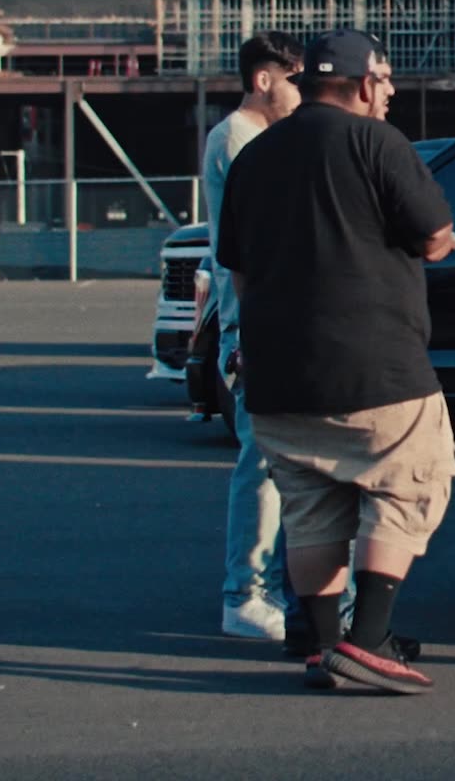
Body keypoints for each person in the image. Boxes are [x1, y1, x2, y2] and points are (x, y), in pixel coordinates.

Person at [216, 28, 455, 694]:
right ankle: (370, 638)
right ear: (362, 83)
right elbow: (436, 237)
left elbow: (236, 273)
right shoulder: (376, 142)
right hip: (375, 367)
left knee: (310, 506)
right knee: (413, 480)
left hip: (277, 374)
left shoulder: (254, 156)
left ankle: (325, 646)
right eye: (383, 84)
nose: (387, 98)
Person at [202, 31, 303, 643]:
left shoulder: (251, 138)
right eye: (293, 77)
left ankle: (256, 588)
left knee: (275, 460)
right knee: (261, 461)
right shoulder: (237, 140)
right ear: (264, 78)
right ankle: (244, 593)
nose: (300, 90)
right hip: (252, 320)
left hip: (259, 315)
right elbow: (251, 243)